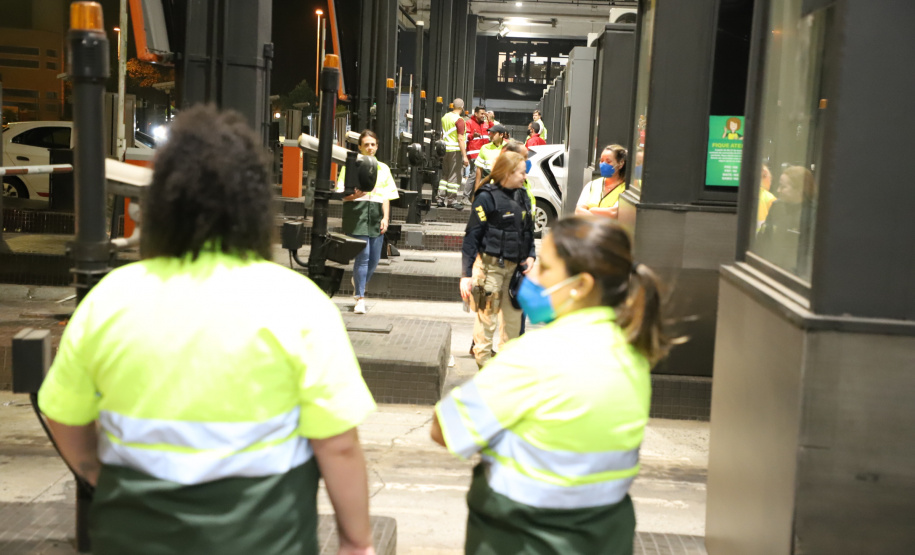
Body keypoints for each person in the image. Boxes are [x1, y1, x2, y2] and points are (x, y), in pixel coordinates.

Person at [36, 106, 377, 555]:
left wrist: (106, 476)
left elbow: (62, 414)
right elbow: (339, 447)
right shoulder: (300, 305)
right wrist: (357, 542)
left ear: (160, 202)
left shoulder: (110, 300)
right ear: (255, 204)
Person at [433, 216, 671, 554]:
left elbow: (445, 429)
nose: (531, 274)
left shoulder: (534, 355)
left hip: (522, 537)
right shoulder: (633, 354)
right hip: (605, 535)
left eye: (545, 266)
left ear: (581, 285)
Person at [460, 151, 536, 368]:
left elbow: (528, 230)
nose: (525, 177)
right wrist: (465, 275)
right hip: (489, 269)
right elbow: (472, 237)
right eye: (522, 172)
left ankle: (504, 373)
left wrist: (531, 254)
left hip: (515, 273)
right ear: (508, 173)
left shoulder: (522, 195)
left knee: (512, 327)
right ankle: (483, 371)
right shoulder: (486, 197)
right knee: (487, 324)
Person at [336, 129, 400, 314]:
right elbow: (341, 194)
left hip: (376, 216)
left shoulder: (384, 168)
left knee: (373, 260)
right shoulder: (350, 166)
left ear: (377, 146)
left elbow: (386, 197)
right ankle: (360, 298)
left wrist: (386, 218)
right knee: (363, 258)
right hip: (357, 214)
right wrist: (352, 196)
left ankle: (359, 282)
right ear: (360, 147)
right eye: (366, 144)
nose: (370, 148)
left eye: (373, 144)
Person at [756, 165, 815, 274]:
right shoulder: (776, 207)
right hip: (770, 268)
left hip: (796, 275)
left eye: (783, 187)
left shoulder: (813, 215)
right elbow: (763, 238)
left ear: (800, 190)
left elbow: (810, 254)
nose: (778, 190)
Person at [575, 144, 628, 219]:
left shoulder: (625, 188)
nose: (603, 164)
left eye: (608, 161)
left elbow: (613, 213)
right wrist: (601, 216)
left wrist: (592, 210)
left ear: (620, 163)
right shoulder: (592, 185)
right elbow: (578, 211)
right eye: (601, 161)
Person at [438, 98, 469, 209]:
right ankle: (452, 200)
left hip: (445, 150)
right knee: (454, 176)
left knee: (445, 175)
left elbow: (442, 134)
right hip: (455, 151)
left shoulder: (445, 117)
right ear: (462, 107)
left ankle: (440, 199)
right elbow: (460, 139)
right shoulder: (459, 120)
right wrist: (464, 156)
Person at [463, 106, 491, 204]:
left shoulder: (485, 124)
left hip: (483, 154)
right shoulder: (469, 123)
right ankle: (465, 197)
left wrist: (489, 119)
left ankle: (471, 198)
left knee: (477, 176)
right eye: (482, 114)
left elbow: (493, 131)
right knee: (474, 175)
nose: (483, 115)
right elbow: (465, 137)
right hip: (474, 152)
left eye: (484, 113)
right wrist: (472, 135)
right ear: (476, 113)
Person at [473, 123, 507, 193]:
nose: (490, 135)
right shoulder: (484, 148)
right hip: (487, 184)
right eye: (490, 133)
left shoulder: (507, 147)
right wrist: (477, 187)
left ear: (501, 135)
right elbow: (479, 169)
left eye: (493, 133)